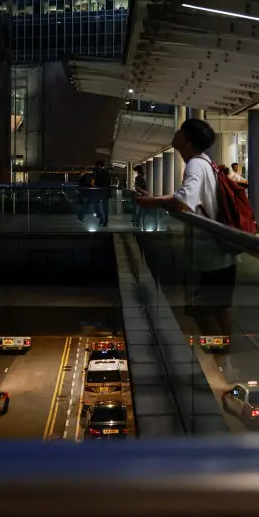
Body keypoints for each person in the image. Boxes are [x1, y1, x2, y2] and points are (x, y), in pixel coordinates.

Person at [135, 119, 237, 360]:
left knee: (199, 307)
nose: (176, 134)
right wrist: (159, 199)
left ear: (188, 142)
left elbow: (184, 203)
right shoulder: (205, 163)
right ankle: (227, 361)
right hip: (221, 251)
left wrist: (155, 202)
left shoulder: (194, 165)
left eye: (180, 132)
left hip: (207, 253)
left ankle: (220, 357)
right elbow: (187, 198)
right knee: (219, 306)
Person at [132, 164, 153, 230]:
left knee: (138, 210)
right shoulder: (144, 177)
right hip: (144, 196)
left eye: (135, 171)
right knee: (142, 211)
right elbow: (145, 187)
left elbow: (137, 187)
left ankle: (137, 223)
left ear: (137, 171)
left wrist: (135, 189)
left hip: (139, 196)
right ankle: (142, 223)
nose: (135, 172)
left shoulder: (137, 178)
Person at [92, 159, 112, 227]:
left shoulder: (100, 172)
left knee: (97, 205)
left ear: (99, 165)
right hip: (105, 192)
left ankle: (102, 219)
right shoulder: (106, 172)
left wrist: (95, 183)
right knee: (104, 207)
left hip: (101, 191)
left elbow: (97, 181)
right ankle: (105, 220)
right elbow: (109, 182)